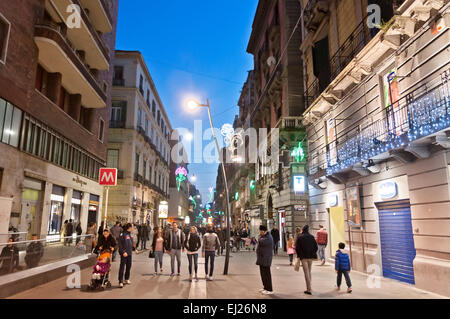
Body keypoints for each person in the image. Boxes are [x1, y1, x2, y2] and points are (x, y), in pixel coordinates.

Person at [295, 225, 318, 295]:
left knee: (306, 273)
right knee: (309, 271)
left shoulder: (300, 237)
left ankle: (309, 289)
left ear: (303, 230)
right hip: (310, 257)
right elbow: (316, 247)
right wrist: (312, 253)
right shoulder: (311, 237)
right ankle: (309, 287)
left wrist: (299, 255)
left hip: (303, 257)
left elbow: (297, 248)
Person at [118, 223, 138, 287]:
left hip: (129, 253)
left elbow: (131, 243)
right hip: (124, 254)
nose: (132, 228)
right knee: (122, 267)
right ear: (129, 227)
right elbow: (120, 245)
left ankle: (126, 278)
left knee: (128, 266)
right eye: (132, 227)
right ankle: (120, 281)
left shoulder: (130, 234)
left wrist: (135, 249)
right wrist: (123, 252)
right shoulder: (122, 234)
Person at [256, 225, 274, 295]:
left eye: (260, 231)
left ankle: (269, 289)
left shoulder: (268, 237)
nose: (259, 232)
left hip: (266, 258)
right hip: (262, 258)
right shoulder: (264, 236)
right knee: (263, 274)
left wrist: (259, 237)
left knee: (266, 274)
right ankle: (265, 287)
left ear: (264, 231)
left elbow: (261, 242)